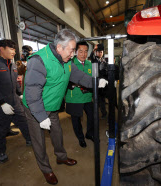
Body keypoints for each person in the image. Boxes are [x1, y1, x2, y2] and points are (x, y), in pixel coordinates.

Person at [22, 29, 107, 185]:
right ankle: (46, 170)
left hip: (52, 107)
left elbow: (79, 76)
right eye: (72, 50)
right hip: (35, 109)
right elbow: (32, 93)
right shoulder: (39, 60)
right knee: (39, 141)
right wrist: (41, 117)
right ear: (59, 47)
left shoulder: (67, 60)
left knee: (57, 134)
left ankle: (61, 157)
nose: (73, 54)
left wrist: (95, 82)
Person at [0, 39, 31, 163]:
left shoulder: (11, 63)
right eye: (11, 49)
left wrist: (20, 94)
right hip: (0, 104)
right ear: (2, 49)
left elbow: (14, 82)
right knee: (1, 129)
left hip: (14, 101)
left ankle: (30, 139)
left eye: (14, 49)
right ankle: (0, 151)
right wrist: (2, 103)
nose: (14, 52)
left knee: (24, 121)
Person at [65, 41, 94, 148]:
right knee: (76, 120)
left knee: (92, 116)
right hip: (74, 98)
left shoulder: (90, 64)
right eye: (80, 51)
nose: (83, 54)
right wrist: (70, 84)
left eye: (86, 51)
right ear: (75, 52)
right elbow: (63, 78)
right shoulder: (70, 64)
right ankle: (81, 138)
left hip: (87, 96)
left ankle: (89, 134)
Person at [90, 43, 108, 119]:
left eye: (101, 52)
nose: (100, 53)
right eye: (98, 52)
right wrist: (93, 49)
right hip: (96, 83)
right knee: (96, 100)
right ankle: (95, 114)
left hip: (103, 84)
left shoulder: (104, 61)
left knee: (102, 100)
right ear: (96, 52)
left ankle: (104, 113)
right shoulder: (94, 60)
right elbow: (91, 56)